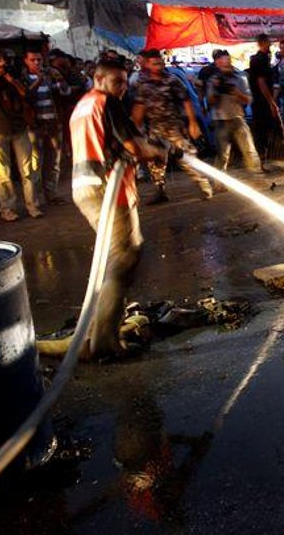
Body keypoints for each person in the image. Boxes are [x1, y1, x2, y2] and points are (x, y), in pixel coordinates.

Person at [70, 58, 168, 359]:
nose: (123, 89)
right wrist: (162, 151)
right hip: (107, 190)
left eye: (125, 82)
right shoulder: (107, 103)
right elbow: (134, 146)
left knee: (117, 256)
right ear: (99, 79)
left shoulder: (83, 105)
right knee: (124, 258)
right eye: (117, 82)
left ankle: (94, 333)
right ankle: (103, 341)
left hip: (84, 188)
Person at [131, 49, 212, 203]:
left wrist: (193, 123)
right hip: (155, 129)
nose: (159, 66)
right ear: (147, 64)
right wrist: (135, 129)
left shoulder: (171, 80)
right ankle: (160, 192)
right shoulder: (143, 84)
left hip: (174, 127)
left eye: (160, 62)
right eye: (155, 63)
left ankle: (203, 185)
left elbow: (186, 100)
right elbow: (139, 107)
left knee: (187, 157)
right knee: (156, 163)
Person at [0, 50, 42, 221]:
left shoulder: (15, 76)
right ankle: (7, 209)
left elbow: (26, 94)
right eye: (3, 62)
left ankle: (33, 206)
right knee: (3, 172)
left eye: (9, 61)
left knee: (28, 169)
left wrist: (12, 81)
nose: (6, 65)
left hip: (19, 127)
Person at [22, 49, 71, 206]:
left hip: (53, 124)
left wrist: (60, 78)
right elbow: (27, 97)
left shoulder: (50, 77)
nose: (37, 63)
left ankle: (52, 194)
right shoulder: (23, 78)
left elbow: (66, 92)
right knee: (36, 163)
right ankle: (34, 201)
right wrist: (39, 79)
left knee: (54, 162)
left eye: (39, 60)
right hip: (35, 126)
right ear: (26, 61)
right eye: (33, 60)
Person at [206, 50, 262, 174]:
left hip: (238, 118)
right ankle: (219, 183)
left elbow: (248, 99)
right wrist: (216, 90)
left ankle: (257, 177)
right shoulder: (213, 80)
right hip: (220, 121)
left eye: (227, 64)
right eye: (222, 64)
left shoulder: (240, 77)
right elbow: (210, 102)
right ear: (218, 65)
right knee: (222, 155)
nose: (226, 67)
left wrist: (237, 93)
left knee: (249, 150)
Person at [248, 34, 280, 159]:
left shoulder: (264, 58)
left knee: (265, 130)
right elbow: (261, 83)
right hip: (261, 102)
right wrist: (271, 102)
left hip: (263, 101)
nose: (270, 45)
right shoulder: (258, 59)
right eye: (268, 42)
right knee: (262, 131)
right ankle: (260, 159)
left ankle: (264, 158)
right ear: (262, 43)